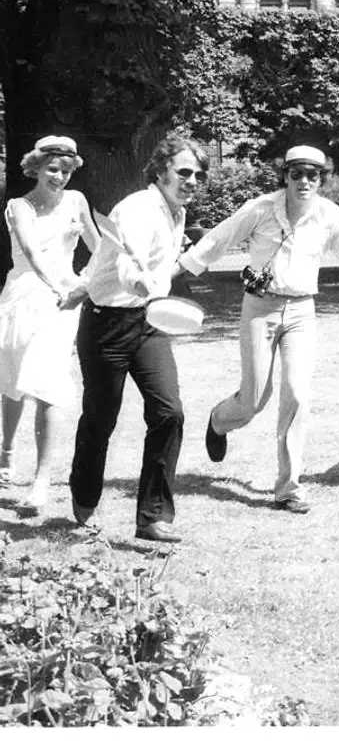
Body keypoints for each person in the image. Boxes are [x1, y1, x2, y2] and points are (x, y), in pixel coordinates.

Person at [180, 146, 339, 514]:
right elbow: (219, 239)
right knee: (253, 400)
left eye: (312, 175)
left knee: (297, 394)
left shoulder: (330, 215)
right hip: (260, 308)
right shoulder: (261, 208)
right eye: (296, 173)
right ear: (284, 175)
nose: (304, 181)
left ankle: (289, 488)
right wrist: (181, 268)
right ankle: (219, 420)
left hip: (301, 311)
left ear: (322, 179)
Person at [69, 136, 209, 543]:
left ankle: (152, 517)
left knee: (169, 413)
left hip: (147, 322)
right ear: (162, 169)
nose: (192, 180)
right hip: (106, 324)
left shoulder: (175, 212)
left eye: (198, 174)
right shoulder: (134, 208)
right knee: (101, 418)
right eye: (184, 171)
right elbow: (127, 264)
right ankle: (84, 497)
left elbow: (124, 259)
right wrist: (141, 282)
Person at [0, 136, 100, 512]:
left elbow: (99, 243)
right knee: (13, 381)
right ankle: (6, 452)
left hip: (63, 304)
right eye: (52, 169)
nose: (59, 177)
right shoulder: (18, 206)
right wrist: (58, 285)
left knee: (46, 383)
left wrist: (85, 281)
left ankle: (40, 483)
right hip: (23, 297)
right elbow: (29, 251)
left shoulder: (76, 201)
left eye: (66, 170)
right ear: (36, 168)